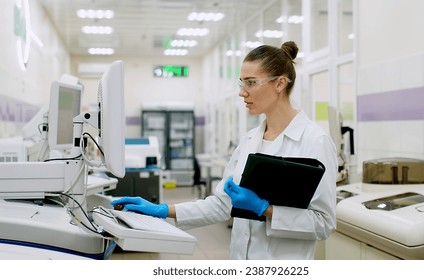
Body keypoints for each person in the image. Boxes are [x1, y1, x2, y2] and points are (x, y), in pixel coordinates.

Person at [111, 41, 338, 260]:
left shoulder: (315, 141)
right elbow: (222, 204)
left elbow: (324, 223)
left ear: (279, 84)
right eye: (242, 83)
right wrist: (162, 210)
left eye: (251, 83)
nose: (242, 92)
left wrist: (265, 209)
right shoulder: (250, 140)